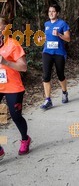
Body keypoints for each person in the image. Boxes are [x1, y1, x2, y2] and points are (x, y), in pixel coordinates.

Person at [0, 16, 31, 159]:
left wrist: (5, 62)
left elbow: (23, 67)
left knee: (15, 116)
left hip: (13, 86)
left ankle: (25, 139)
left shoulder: (13, 44)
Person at [40, 3, 70, 110]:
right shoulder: (46, 24)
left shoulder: (62, 24)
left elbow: (68, 38)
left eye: (53, 11)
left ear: (57, 13)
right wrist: (41, 39)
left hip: (59, 53)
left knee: (60, 74)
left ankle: (64, 92)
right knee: (46, 75)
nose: (51, 13)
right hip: (47, 52)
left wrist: (59, 35)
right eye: (49, 11)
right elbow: (46, 37)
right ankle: (48, 100)